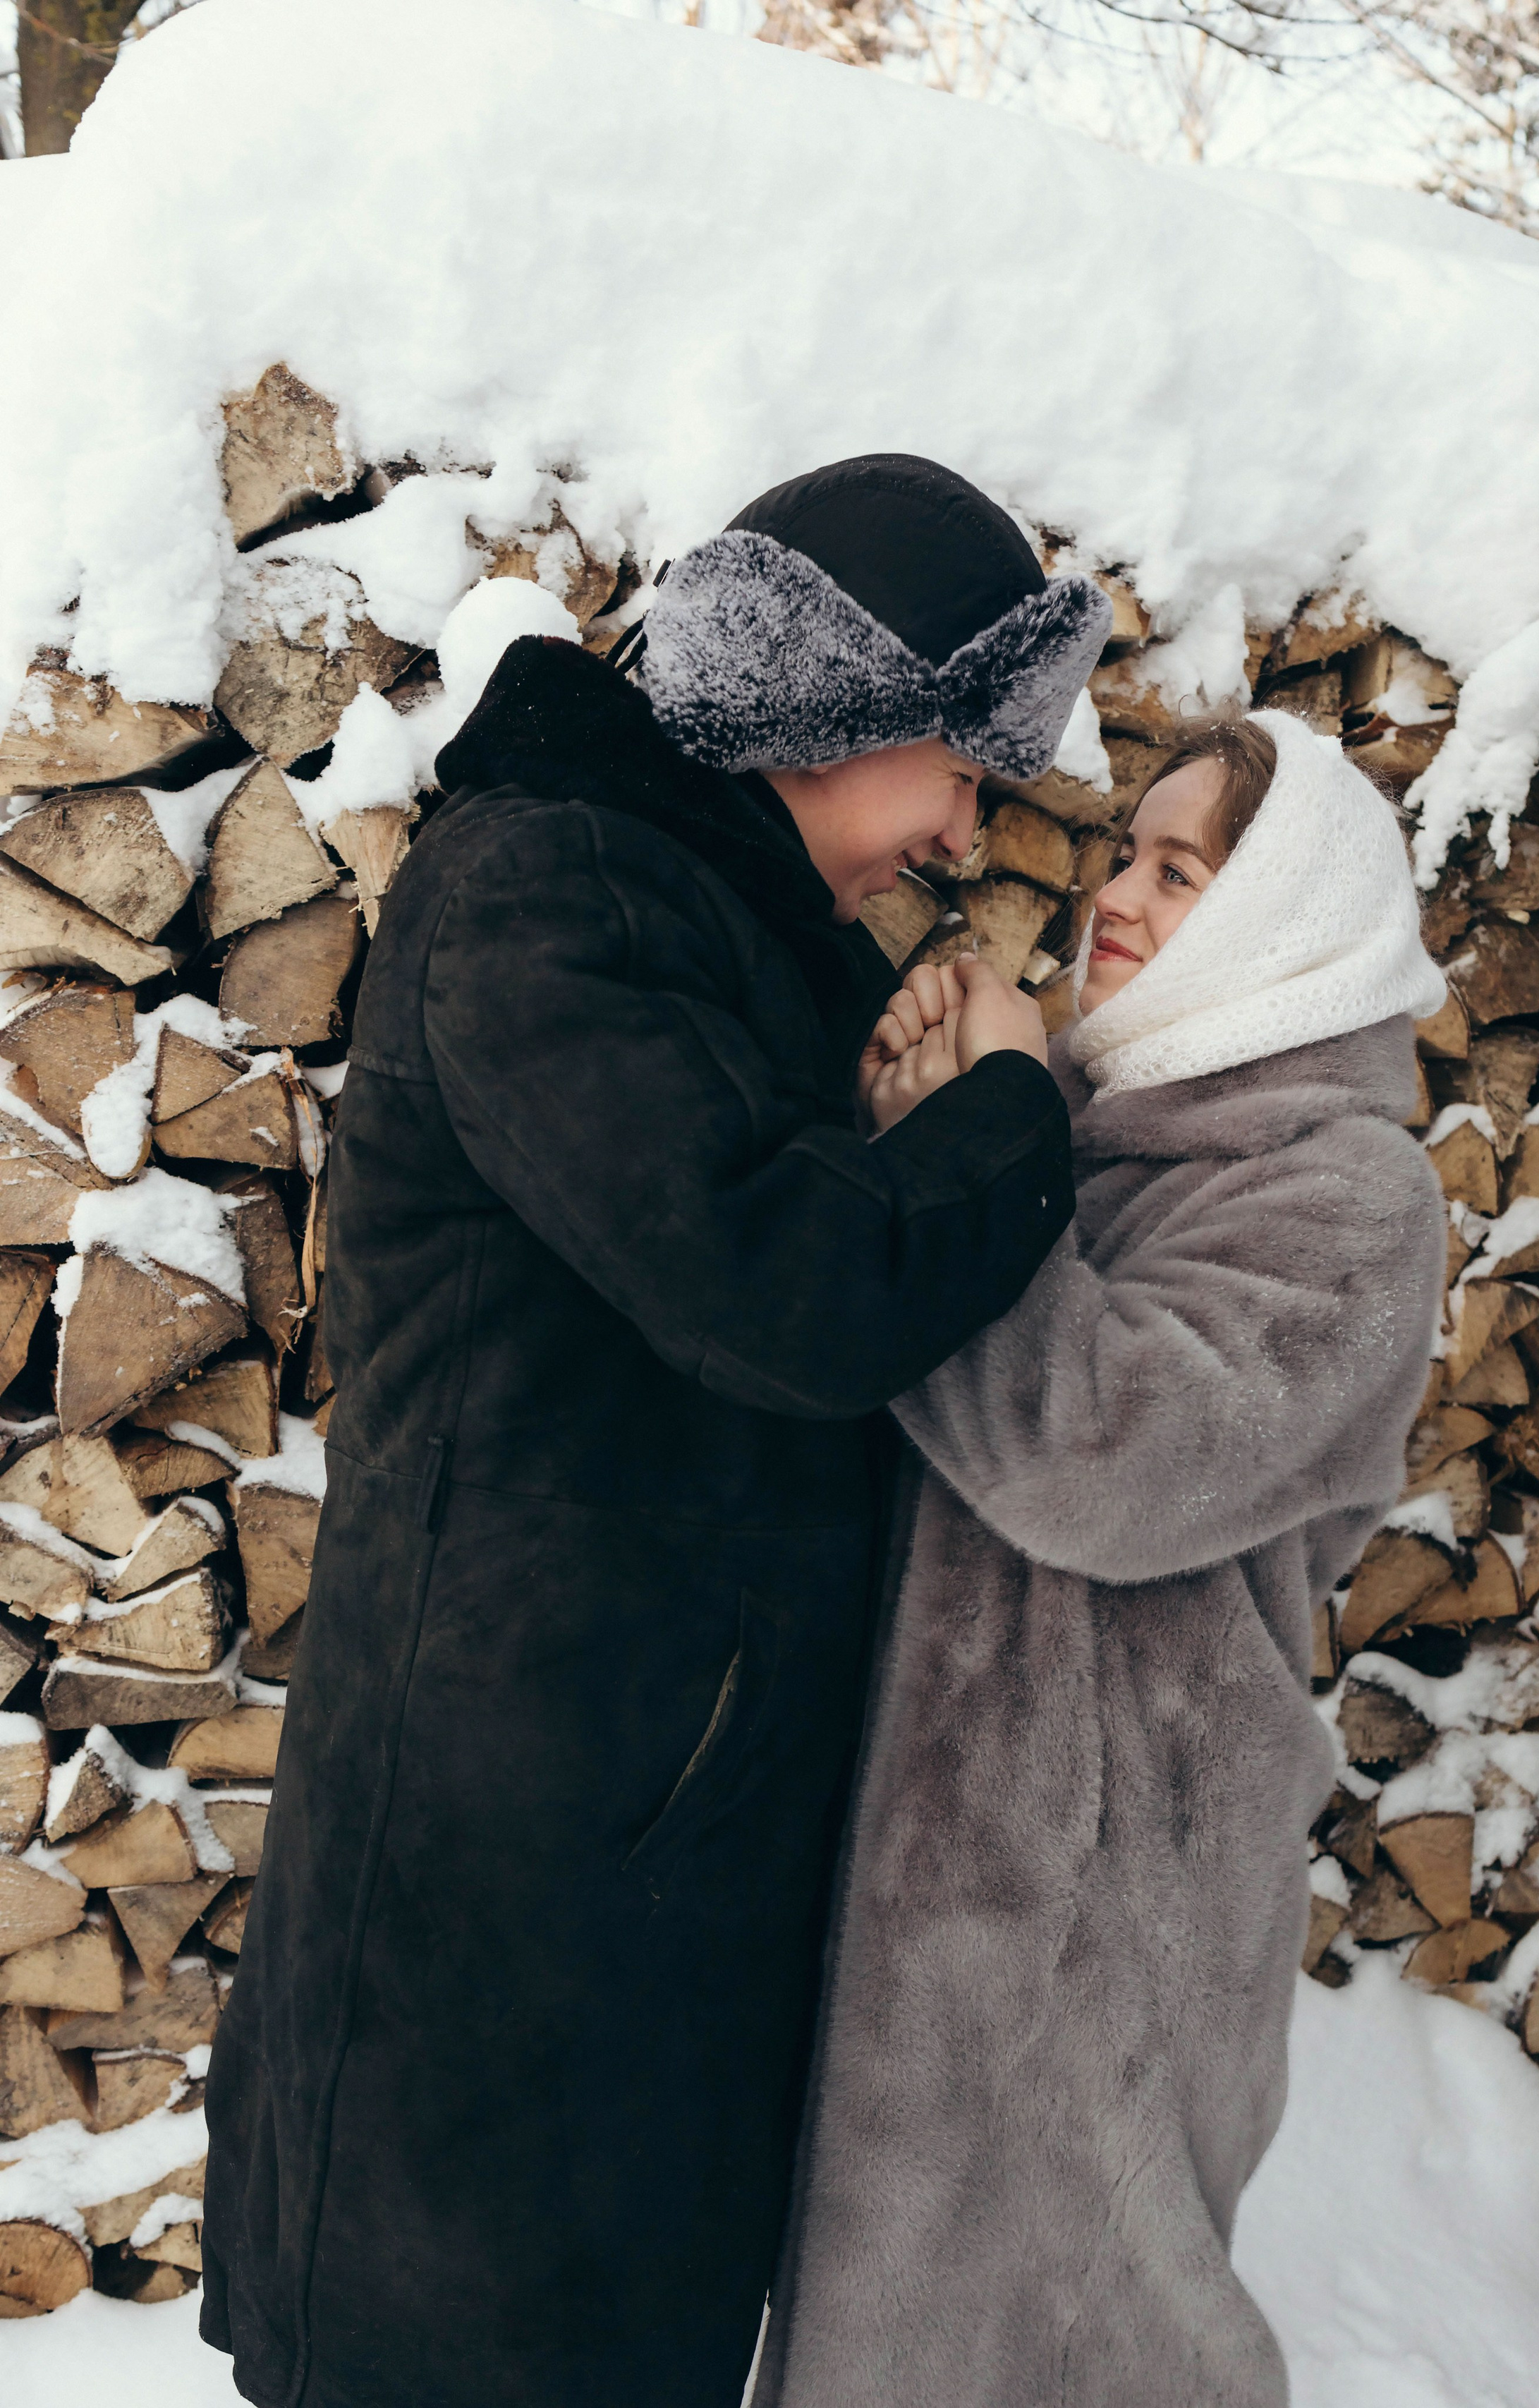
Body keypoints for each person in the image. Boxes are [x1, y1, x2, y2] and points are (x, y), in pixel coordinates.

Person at [200, 455, 1114, 2408]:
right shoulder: (551, 892)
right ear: (825, 702)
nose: (963, 823)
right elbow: (785, 1290)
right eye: (955, 758)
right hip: (511, 1875)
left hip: (619, 1845)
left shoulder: (704, 911)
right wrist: (1004, 1113)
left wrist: (887, 1105)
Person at [751, 710, 1449, 2408]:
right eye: (1125, 852)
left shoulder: (1349, 1194)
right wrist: (938, 1114)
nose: (1114, 894)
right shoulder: (1083, 1127)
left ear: (1288, 919)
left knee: (1082, 2336)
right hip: (926, 1872)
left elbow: (1100, 1462)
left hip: (1111, 1900)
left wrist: (966, 1130)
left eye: (1181, 869)